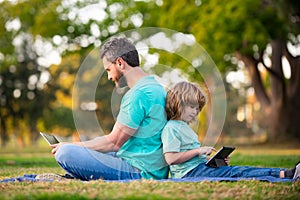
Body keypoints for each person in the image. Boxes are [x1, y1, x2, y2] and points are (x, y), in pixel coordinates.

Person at [50, 37, 169, 180]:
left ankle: (73, 170)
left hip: (139, 171)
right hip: (148, 165)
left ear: (120, 62)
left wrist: (73, 146)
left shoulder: (139, 94)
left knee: (65, 152)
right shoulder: (157, 87)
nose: (108, 77)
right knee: (91, 149)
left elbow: (114, 143)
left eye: (108, 69)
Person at [161, 81, 300, 180]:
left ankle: (283, 173)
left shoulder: (184, 127)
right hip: (190, 174)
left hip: (198, 168)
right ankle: (284, 174)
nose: (195, 111)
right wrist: (198, 150)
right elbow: (171, 159)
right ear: (178, 103)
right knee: (238, 172)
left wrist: (213, 160)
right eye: (192, 106)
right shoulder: (171, 128)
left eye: (197, 108)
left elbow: (191, 158)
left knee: (238, 170)